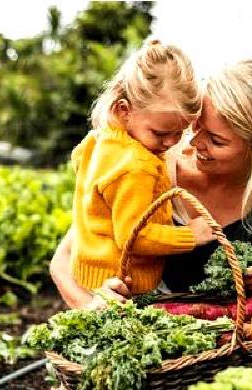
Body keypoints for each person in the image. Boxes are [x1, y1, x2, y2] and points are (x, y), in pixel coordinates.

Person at [53, 57, 252, 316]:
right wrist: (92, 307)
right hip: (146, 348)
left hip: (236, 352)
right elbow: (63, 261)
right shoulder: (152, 164)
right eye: (195, 127)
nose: (192, 143)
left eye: (216, 141)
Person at [66, 39, 214, 311]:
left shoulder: (101, 140)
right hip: (123, 283)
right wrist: (191, 236)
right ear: (125, 110)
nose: (171, 143)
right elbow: (134, 236)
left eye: (179, 132)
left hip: (92, 271)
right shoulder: (137, 165)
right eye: (160, 133)